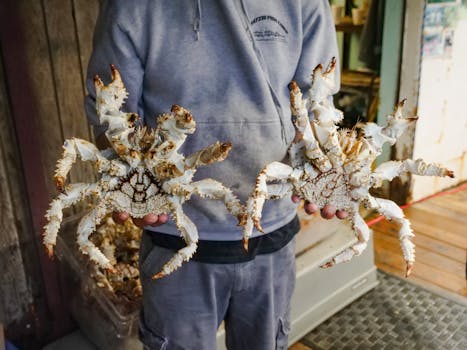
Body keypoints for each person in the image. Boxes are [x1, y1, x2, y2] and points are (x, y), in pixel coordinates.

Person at [85, 1, 345, 349]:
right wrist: (124, 182)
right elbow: (109, 115)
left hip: (272, 229)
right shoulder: (132, 6)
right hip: (173, 233)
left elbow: (318, 104)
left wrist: (326, 174)